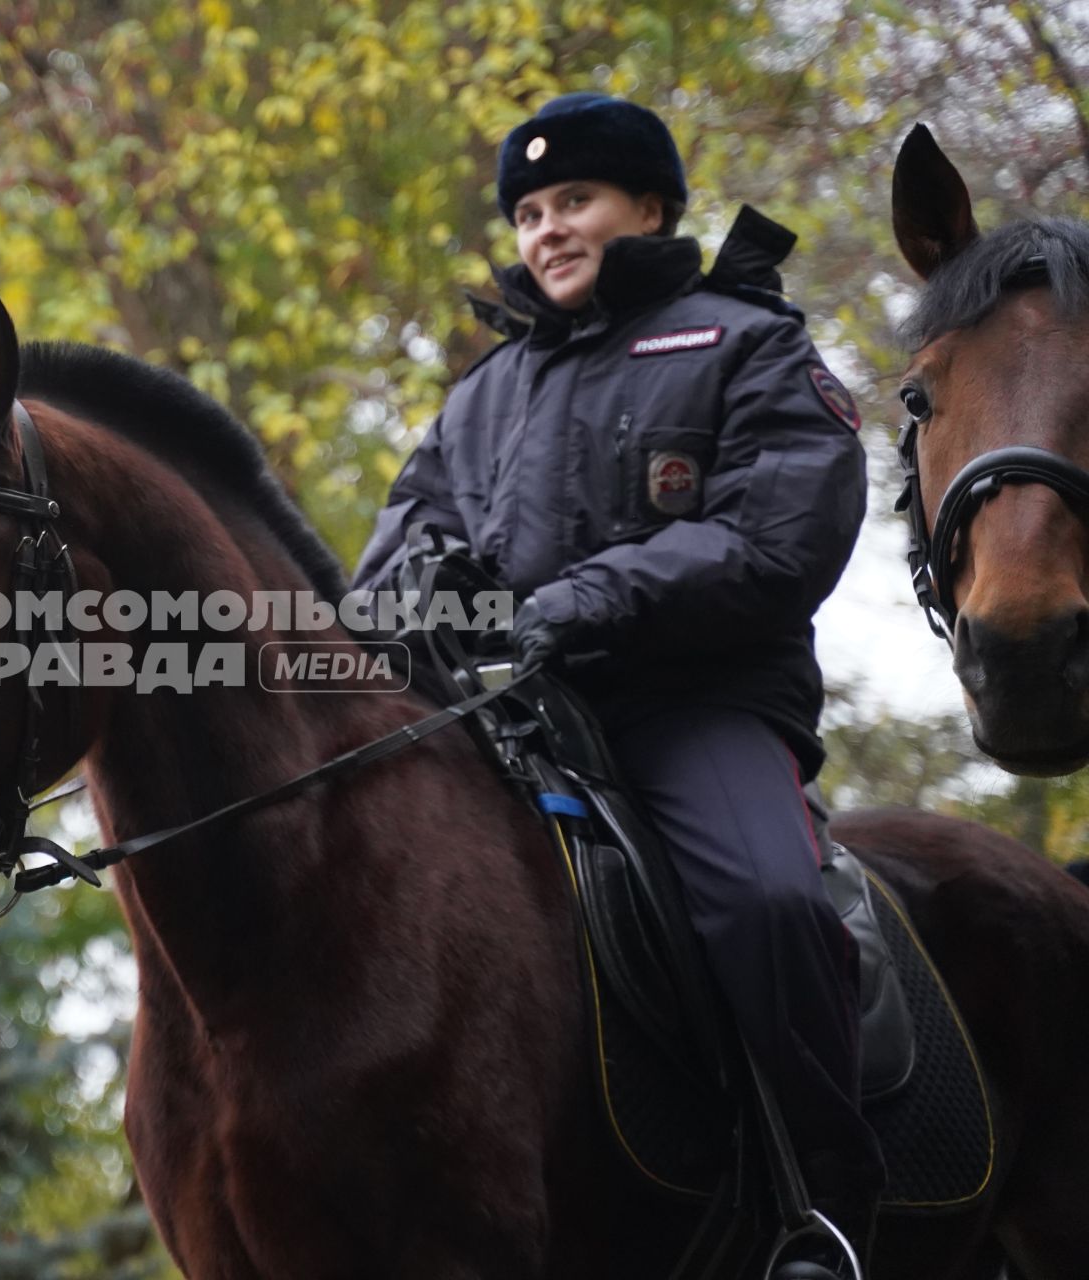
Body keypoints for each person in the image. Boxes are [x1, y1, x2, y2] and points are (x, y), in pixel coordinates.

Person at [354, 93, 880, 1278]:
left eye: (574, 201)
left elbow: (781, 531)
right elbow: (390, 557)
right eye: (529, 212)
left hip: (690, 710)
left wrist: (581, 601)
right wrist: (423, 599)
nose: (547, 230)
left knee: (768, 904)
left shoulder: (744, 339)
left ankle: (827, 1205)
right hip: (517, 723)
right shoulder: (484, 392)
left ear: (649, 208)